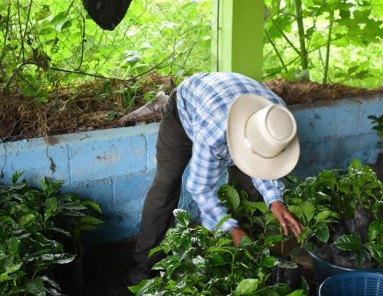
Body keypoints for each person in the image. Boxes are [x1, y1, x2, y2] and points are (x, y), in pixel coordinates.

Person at [130, 72, 303, 284]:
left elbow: (265, 157)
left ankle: (244, 254)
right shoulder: (214, 134)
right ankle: (146, 261)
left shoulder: (277, 120)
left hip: (229, 107)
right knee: (166, 184)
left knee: (249, 190)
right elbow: (200, 187)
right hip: (184, 111)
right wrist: (231, 227)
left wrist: (275, 200)